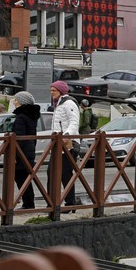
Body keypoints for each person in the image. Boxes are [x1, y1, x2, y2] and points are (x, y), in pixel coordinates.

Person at [49, 80, 80, 209]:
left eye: (54, 90)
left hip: (68, 143)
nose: (51, 92)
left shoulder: (69, 103)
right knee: (51, 172)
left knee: (65, 173)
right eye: (51, 90)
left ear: (61, 91)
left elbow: (74, 121)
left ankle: (70, 203)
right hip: (57, 143)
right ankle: (51, 203)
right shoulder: (58, 104)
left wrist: (67, 135)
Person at [10, 91, 39, 210]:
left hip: (22, 151)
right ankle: (29, 202)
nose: (14, 102)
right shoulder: (31, 116)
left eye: (16, 100)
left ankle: (28, 203)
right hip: (29, 149)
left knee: (20, 176)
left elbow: (19, 138)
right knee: (25, 177)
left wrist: (14, 154)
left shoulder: (21, 117)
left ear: (22, 102)